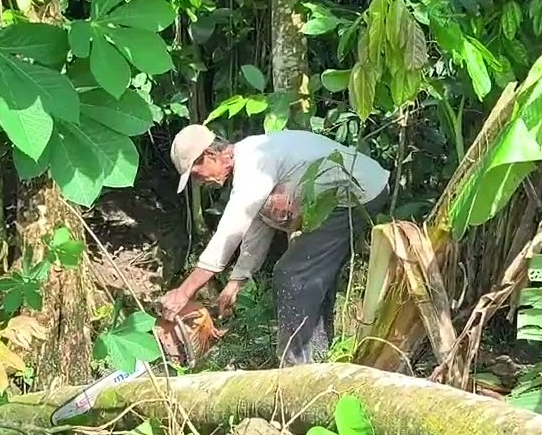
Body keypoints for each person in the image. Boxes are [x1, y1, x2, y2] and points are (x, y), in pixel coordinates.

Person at [161, 124, 390, 366]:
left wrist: (184, 292)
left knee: (292, 275)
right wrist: (235, 283)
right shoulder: (249, 168)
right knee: (313, 272)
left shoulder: (253, 162)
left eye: (197, 174)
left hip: (354, 195)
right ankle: (319, 354)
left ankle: (293, 366)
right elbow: (257, 230)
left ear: (211, 155)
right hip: (348, 196)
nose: (200, 182)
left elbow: (231, 230)